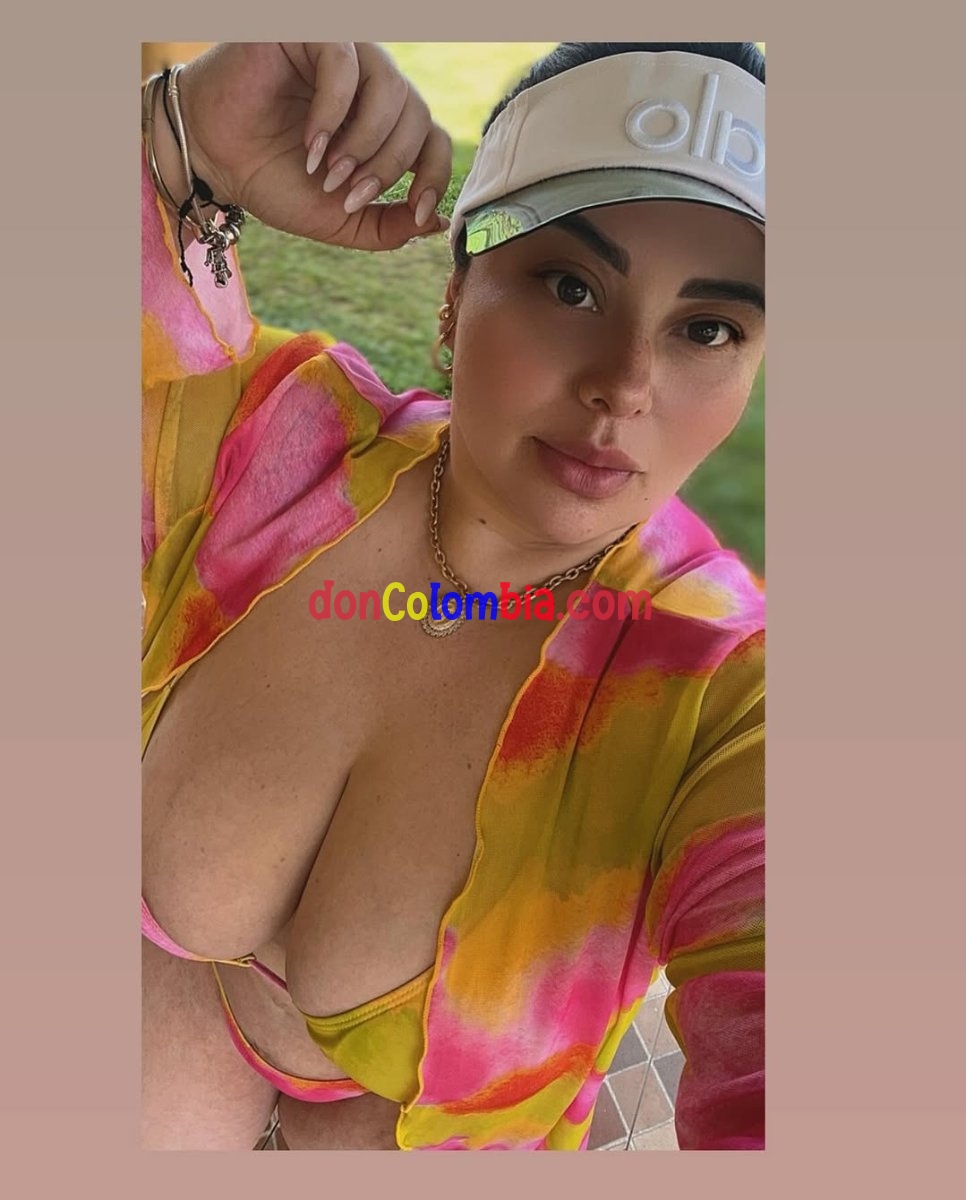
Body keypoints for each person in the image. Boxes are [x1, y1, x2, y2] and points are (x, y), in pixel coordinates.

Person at [141, 41, 765, 1151]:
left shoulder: (723, 688)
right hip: (178, 1003)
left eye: (707, 328)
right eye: (571, 286)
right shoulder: (269, 441)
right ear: (456, 292)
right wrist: (175, 139)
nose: (626, 385)